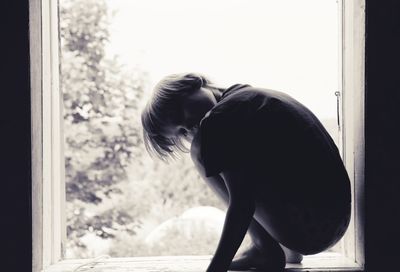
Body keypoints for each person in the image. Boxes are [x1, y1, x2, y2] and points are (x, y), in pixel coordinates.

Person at [141, 73, 351, 272]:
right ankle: (282, 250)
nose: (188, 126)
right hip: (335, 219)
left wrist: (216, 269)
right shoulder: (247, 97)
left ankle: (264, 248)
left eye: (179, 113)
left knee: (201, 147)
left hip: (311, 226)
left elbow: (242, 203)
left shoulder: (219, 121)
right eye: (182, 132)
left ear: (193, 83)